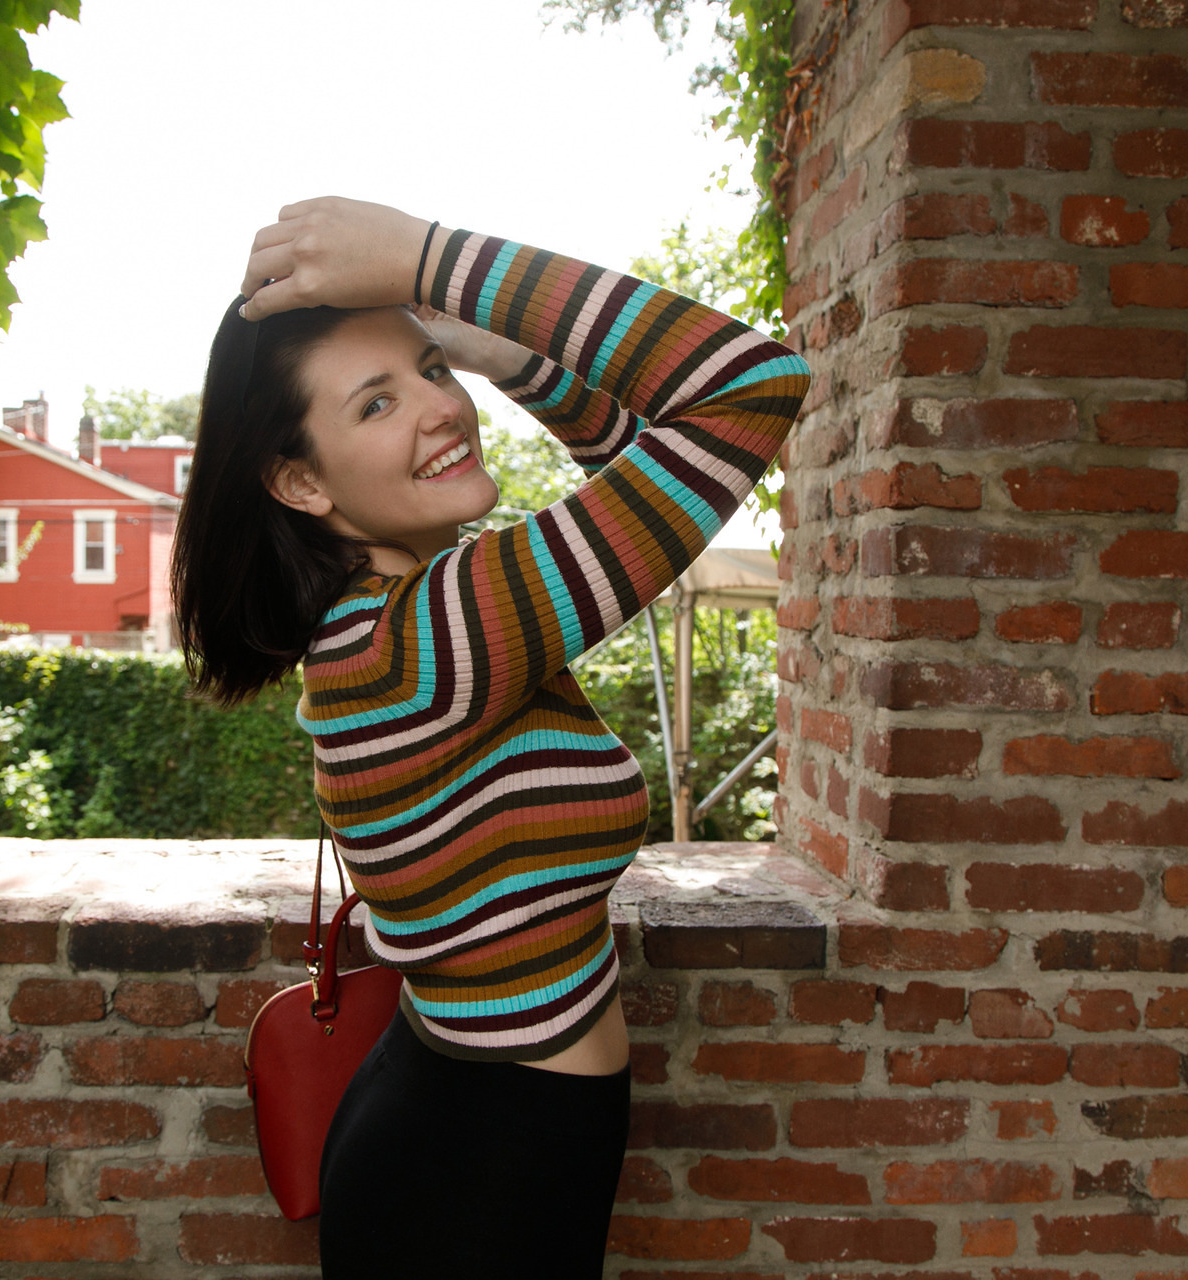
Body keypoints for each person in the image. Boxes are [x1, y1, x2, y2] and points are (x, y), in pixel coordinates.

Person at [172, 197, 810, 1279]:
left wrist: (508, 358)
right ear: (301, 480)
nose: (439, 406)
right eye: (377, 402)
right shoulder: (428, 640)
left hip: (487, 1129)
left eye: (433, 369)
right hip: (474, 1169)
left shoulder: (399, 622)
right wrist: (431, 258)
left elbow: (657, 467)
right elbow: (751, 386)